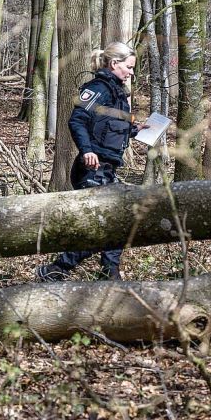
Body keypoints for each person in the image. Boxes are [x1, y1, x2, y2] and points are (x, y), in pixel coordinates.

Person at [36, 42, 144, 281]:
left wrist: (136, 129)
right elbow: (77, 120)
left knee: (118, 222)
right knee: (106, 227)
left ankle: (109, 275)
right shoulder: (98, 88)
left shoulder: (118, 95)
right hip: (91, 170)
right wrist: (87, 151)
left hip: (107, 170)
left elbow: (111, 128)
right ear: (114, 64)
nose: (131, 72)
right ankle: (57, 269)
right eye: (129, 67)